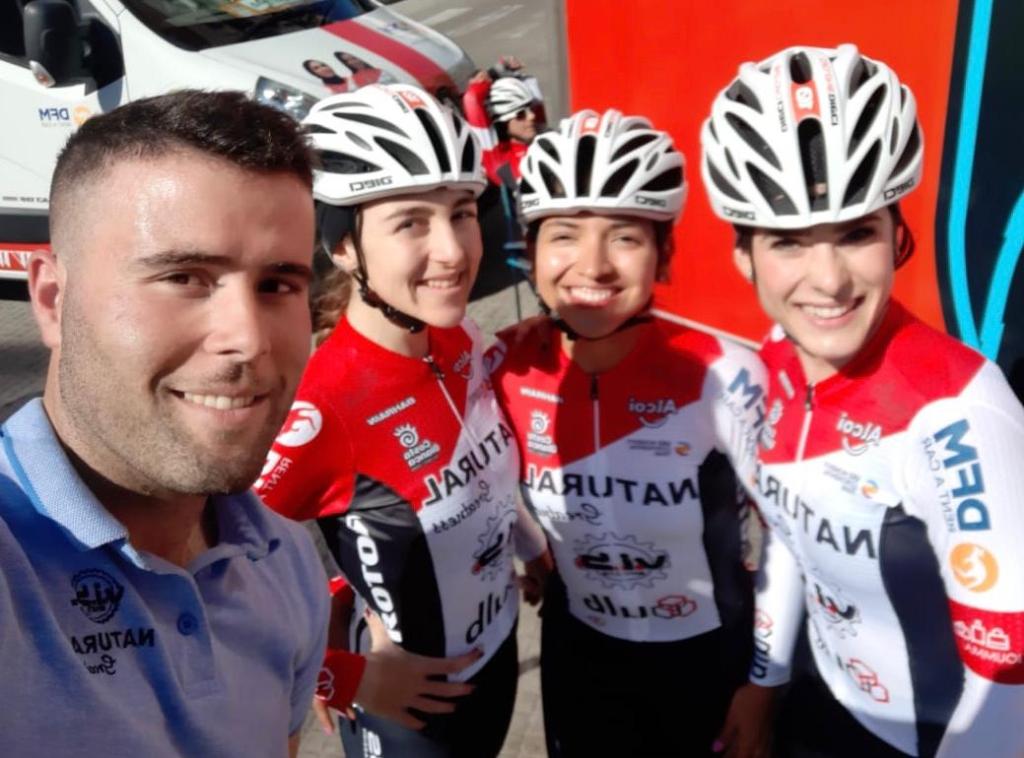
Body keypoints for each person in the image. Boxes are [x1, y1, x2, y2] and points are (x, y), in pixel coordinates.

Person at [701, 44, 1024, 758]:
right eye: (789, 242)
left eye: (856, 234)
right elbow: (790, 539)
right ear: (744, 257)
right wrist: (764, 685)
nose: (830, 280)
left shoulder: (959, 414)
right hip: (821, 701)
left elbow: (1011, 682)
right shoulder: (774, 362)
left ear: (897, 238)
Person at [2, 90, 329, 757]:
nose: (248, 340)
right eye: (184, 277)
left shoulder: (285, 561)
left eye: (277, 285)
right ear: (52, 299)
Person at [254, 83, 551, 758]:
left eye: (462, 213)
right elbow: (208, 589)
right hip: (409, 717)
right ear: (343, 246)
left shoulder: (460, 338)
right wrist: (340, 673)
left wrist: (530, 548)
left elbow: (480, 472)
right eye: (411, 222)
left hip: (497, 662)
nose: (453, 251)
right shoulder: (321, 408)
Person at [486, 108, 766, 757]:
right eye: (564, 235)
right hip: (581, 657)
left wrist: (765, 684)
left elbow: (791, 539)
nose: (594, 265)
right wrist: (533, 551)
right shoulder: (505, 365)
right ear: (530, 250)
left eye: (625, 237)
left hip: (709, 661)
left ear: (663, 254)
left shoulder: (724, 374)